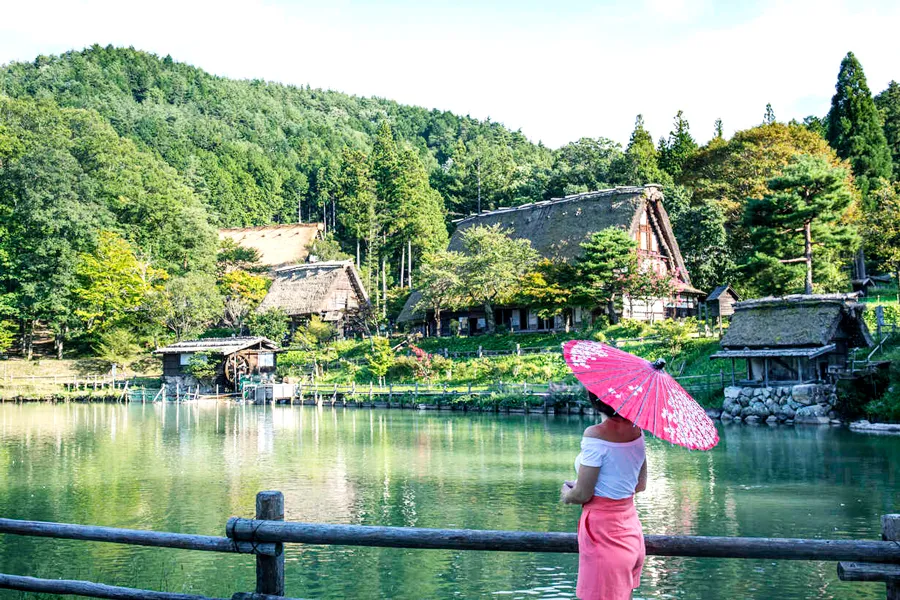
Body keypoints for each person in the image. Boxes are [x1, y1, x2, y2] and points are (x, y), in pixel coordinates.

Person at [560, 392, 648, 600]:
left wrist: (567, 494)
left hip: (604, 535)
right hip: (630, 531)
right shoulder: (637, 432)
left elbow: (582, 494)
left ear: (595, 401)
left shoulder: (595, 435)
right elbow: (640, 485)